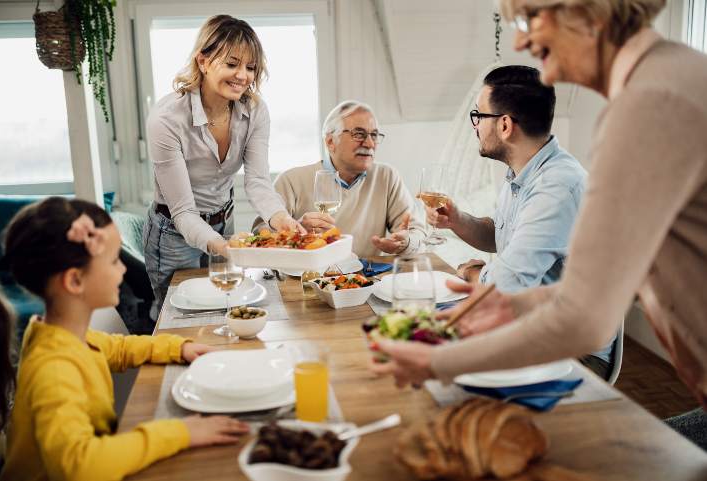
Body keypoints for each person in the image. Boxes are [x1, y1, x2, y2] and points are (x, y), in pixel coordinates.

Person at [370, 0, 707, 447]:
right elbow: (600, 285)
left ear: (589, 13)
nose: (520, 40)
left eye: (531, 17)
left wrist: (436, 363)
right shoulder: (672, 77)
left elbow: (584, 317)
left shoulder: (646, 104)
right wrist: (506, 305)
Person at [0, 197, 249, 479]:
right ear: (74, 281)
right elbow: (82, 466)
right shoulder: (53, 369)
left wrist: (179, 346)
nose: (123, 269)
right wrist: (182, 432)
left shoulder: (63, 336)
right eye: (113, 260)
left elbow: (118, 348)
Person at [425, 65, 612, 378]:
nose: (474, 126)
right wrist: (458, 220)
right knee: (422, 329)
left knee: (433, 360)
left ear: (505, 125)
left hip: (573, 353)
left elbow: (504, 288)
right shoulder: (523, 171)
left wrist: (471, 272)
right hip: (528, 326)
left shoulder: (557, 188)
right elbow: (500, 236)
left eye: (478, 116)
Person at [144, 15, 302, 320]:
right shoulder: (166, 120)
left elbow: (257, 181)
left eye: (250, 67)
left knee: (225, 310)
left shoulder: (254, 111)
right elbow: (183, 212)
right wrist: (227, 248)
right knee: (179, 320)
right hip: (174, 233)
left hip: (223, 221)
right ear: (203, 61)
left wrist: (282, 220)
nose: (242, 75)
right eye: (232, 64)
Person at [253, 100, 427, 257]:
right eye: (359, 134)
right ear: (330, 141)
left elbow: (417, 232)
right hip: (304, 283)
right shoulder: (291, 180)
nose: (370, 143)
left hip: (364, 280)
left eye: (374, 135)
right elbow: (259, 235)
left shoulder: (387, 177)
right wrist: (294, 231)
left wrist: (406, 242)